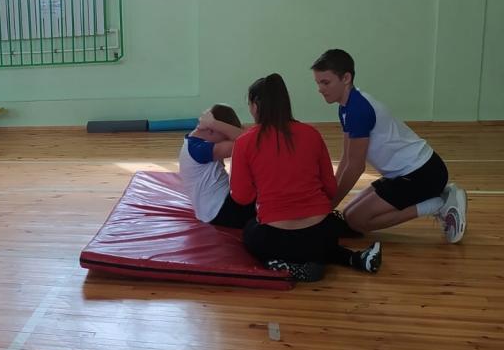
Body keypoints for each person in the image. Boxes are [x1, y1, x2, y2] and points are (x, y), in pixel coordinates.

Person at [230, 73, 382, 282]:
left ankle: (283, 266)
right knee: (321, 241)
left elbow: (241, 196)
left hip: (275, 237)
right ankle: (353, 259)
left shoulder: (244, 142)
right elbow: (330, 188)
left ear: (256, 105)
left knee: (250, 232)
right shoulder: (311, 133)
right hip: (321, 233)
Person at [311, 48, 466, 243]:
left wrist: (329, 205)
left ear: (346, 78)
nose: (320, 89)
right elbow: (347, 159)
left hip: (423, 174)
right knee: (349, 214)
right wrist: (330, 199)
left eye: (325, 82)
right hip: (404, 174)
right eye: (318, 83)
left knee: (357, 220)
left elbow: (356, 167)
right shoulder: (347, 107)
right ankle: (435, 198)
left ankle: (438, 204)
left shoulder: (358, 110)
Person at [177, 105, 255, 228]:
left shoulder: (194, 140)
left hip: (213, 208)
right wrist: (215, 124)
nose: (227, 139)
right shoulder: (201, 150)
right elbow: (251, 142)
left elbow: (247, 131)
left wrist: (215, 124)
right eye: (225, 137)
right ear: (211, 130)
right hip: (222, 211)